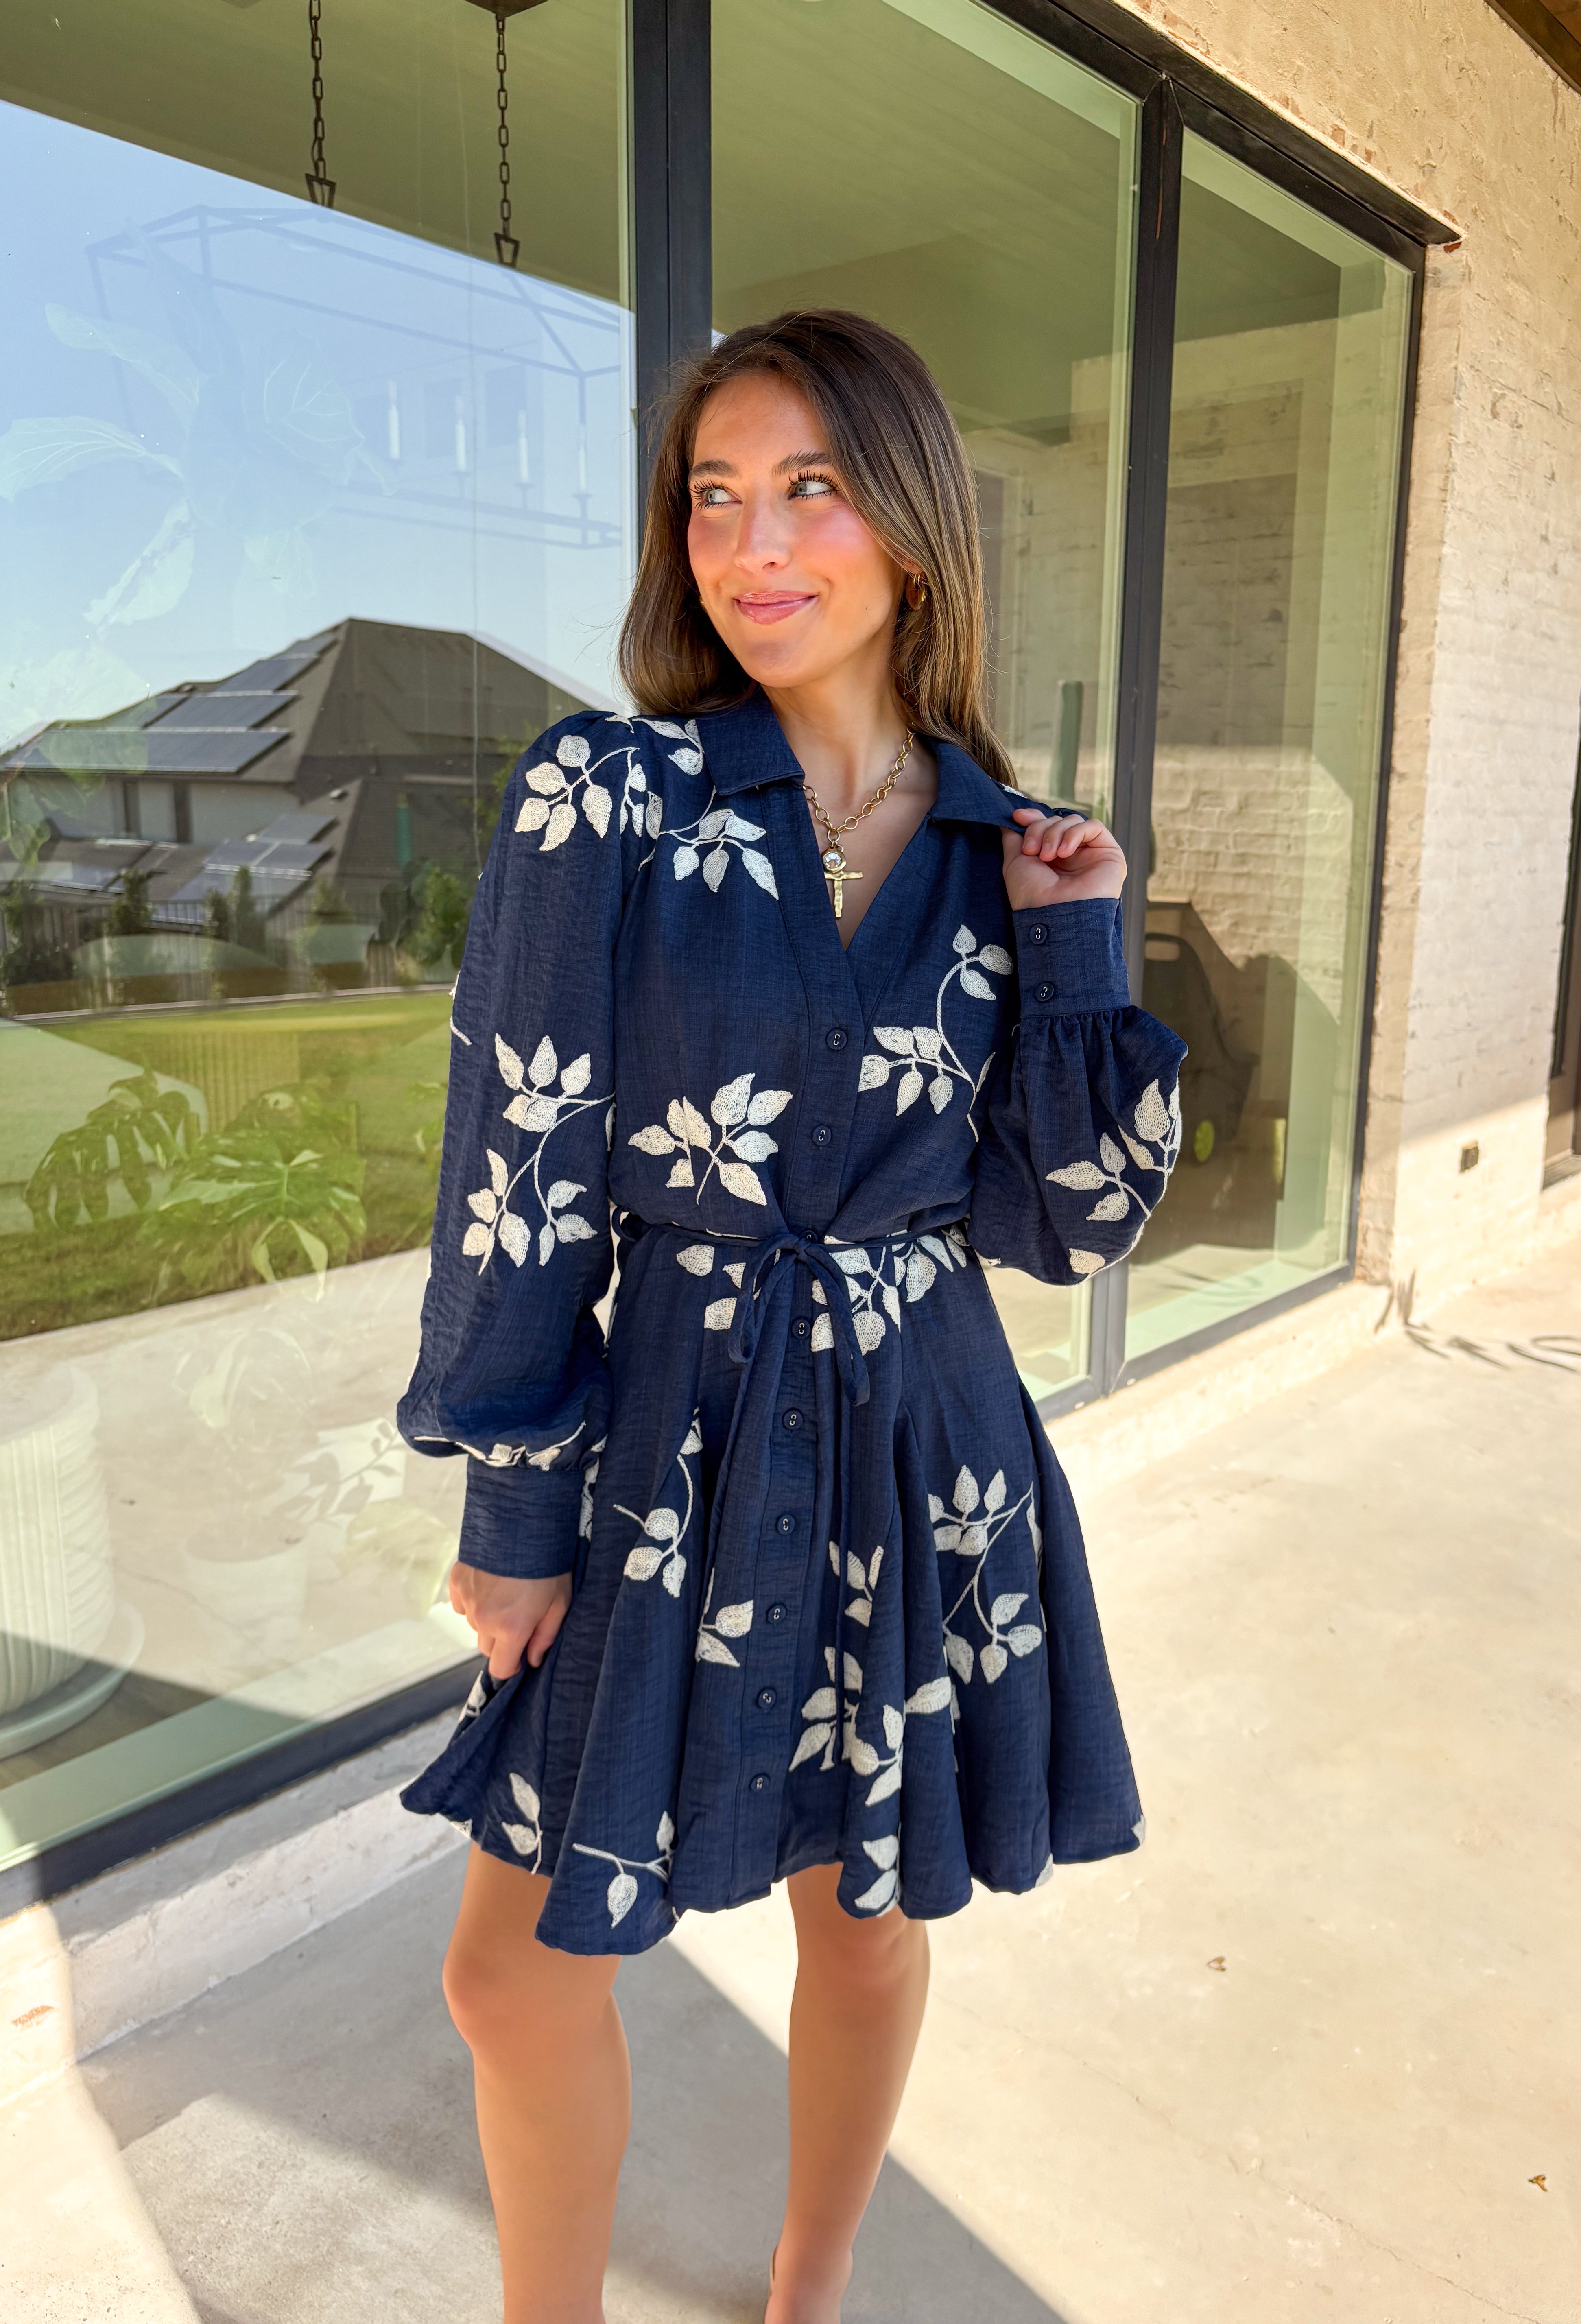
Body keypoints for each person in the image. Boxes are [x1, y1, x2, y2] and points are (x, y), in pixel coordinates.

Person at [397, 308, 1186, 2324]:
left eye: (810, 490)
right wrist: (512, 1504)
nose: (755, 546)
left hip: (921, 1440)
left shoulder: (1010, 849)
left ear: (911, 531)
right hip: (663, 1434)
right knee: (514, 1969)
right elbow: (524, 1163)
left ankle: (807, 2290)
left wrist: (1077, 951)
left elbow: (1069, 1224)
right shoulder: (616, 800)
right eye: (716, 499)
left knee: (867, 1916)